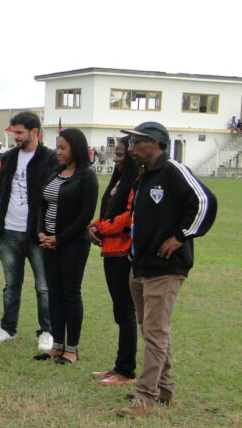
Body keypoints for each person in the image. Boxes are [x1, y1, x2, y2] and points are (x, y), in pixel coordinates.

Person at [116, 122, 217, 419]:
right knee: (150, 330)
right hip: (141, 264)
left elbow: (204, 201)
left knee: (156, 332)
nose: (132, 148)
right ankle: (164, 389)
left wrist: (182, 235)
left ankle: (145, 397)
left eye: (137, 142)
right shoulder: (144, 175)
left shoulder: (174, 170)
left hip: (166, 267)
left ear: (156, 143)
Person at [0, 111, 58, 350]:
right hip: (9, 231)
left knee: (43, 286)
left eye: (19, 132)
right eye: (14, 132)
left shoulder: (50, 159)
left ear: (34, 132)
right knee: (11, 284)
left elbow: (53, 199)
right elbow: (2, 194)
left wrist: (48, 230)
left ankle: (47, 331)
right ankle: (7, 328)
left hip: (37, 233)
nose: (15, 137)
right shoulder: (8, 158)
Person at [34, 128, 98, 365]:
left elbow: (85, 216)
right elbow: (42, 205)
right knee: (54, 293)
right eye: (57, 147)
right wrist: (41, 232)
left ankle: (71, 349)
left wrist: (59, 238)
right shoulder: (55, 172)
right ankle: (57, 345)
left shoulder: (86, 177)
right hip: (48, 242)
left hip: (72, 245)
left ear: (76, 149)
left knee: (70, 294)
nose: (58, 152)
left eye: (63, 148)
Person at [87, 135, 139, 386]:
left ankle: (126, 370)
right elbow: (110, 212)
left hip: (123, 253)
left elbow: (129, 216)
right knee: (120, 312)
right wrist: (96, 227)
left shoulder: (136, 181)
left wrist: (101, 227)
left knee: (125, 312)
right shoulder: (120, 180)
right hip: (111, 251)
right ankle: (120, 365)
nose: (116, 159)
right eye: (115, 154)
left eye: (120, 155)